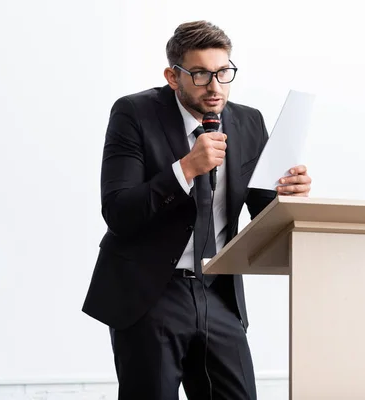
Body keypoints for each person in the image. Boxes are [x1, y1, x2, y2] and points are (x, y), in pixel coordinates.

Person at [81, 20, 312, 400]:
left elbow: (263, 213)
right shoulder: (134, 114)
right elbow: (119, 211)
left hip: (217, 291)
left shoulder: (248, 121)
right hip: (150, 294)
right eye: (201, 74)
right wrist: (185, 169)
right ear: (174, 76)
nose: (215, 87)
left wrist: (290, 196)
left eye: (224, 72)